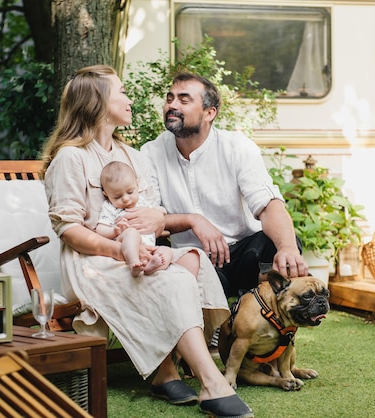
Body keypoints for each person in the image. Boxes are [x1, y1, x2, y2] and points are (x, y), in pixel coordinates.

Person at [40, 65, 253, 418]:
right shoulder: (70, 157)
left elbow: (152, 214)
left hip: (139, 249)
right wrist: (122, 250)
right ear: (96, 103)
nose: (129, 98)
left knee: (192, 261)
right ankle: (211, 383)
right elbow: (70, 231)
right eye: (120, 91)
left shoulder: (132, 156)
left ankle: (166, 370)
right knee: (174, 279)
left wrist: (153, 246)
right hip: (93, 261)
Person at [141, 72, 308, 298]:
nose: (172, 105)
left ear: (210, 113)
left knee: (281, 245)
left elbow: (268, 204)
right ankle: (219, 326)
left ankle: (270, 321)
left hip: (244, 254)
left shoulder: (237, 147)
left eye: (184, 99)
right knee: (187, 267)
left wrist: (287, 247)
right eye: (170, 99)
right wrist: (193, 220)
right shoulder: (151, 152)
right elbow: (150, 219)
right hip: (194, 260)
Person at [96, 161, 172, 277]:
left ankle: (151, 266)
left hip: (149, 247)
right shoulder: (109, 207)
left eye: (130, 192)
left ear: (137, 185)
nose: (126, 199)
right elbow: (100, 229)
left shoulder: (142, 201)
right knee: (131, 233)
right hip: (125, 244)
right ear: (106, 194)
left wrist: (158, 211)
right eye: (117, 196)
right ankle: (134, 263)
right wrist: (115, 231)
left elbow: (154, 214)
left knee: (167, 251)